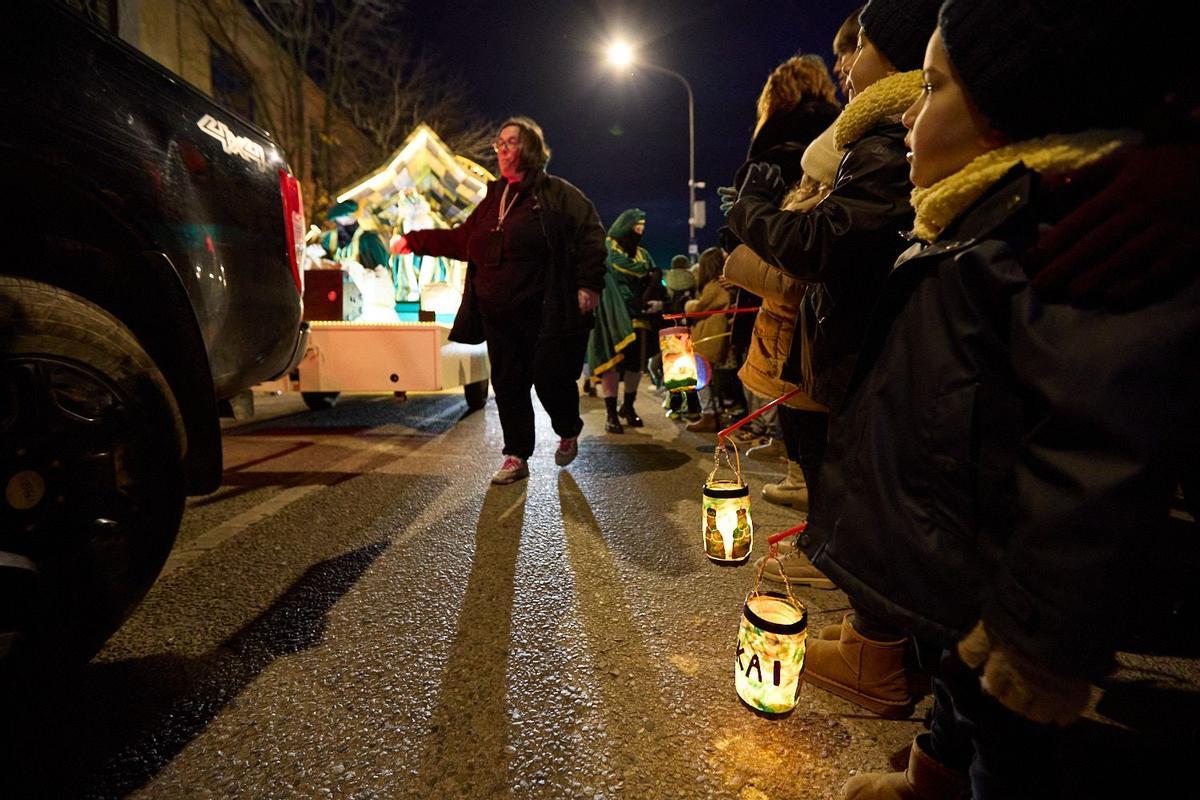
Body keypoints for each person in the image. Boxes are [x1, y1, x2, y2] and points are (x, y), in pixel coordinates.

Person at [806, 2, 1195, 797]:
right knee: (960, 698)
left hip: (1007, 596)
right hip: (959, 573)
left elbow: (1093, 458)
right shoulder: (964, 223)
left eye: (935, 87)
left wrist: (1039, 635)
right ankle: (933, 776)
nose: (910, 111)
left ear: (1005, 119)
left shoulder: (1051, 248)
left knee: (1011, 749)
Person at [726, 0, 942, 718]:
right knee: (859, 486)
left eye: (860, 48)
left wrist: (751, 213)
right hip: (861, 346)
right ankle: (888, 651)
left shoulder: (881, 136)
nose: (845, 64)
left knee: (863, 491)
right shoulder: (872, 133)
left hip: (866, 347)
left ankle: (875, 650)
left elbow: (824, 242)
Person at [390, 117, 605, 485]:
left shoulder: (557, 195)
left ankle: (567, 427)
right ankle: (516, 455)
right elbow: (462, 241)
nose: (502, 150)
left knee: (548, 377)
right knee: (507, 383)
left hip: (542, 309)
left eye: (511, 143)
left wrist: (588, 284)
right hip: (497, 312)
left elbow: (591, 235)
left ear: (531, 149)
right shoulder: (492, 200)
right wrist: (415, 241)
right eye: (499, 143)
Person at [587, 209, 657, 433]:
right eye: (637, 227)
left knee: (636, 364)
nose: (641, 232)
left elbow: (652, 275)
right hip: (612, 315)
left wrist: (650, 295)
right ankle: (611, 414)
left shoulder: (643, 255)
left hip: (638, 316)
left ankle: (628, 406)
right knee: (612, 363)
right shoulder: (607, 252)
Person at [681, 247, 732, 432]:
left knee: (703, 377)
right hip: (711, 336)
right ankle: (712, 414)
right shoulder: (720, 284)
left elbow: (699, 308)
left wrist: (688, 304)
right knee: (708, 378)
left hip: (709, 338)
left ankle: (709, 415)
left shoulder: (714, 285)